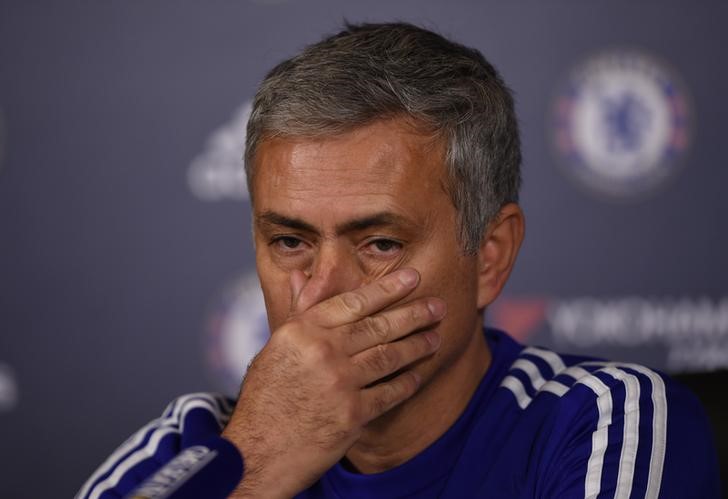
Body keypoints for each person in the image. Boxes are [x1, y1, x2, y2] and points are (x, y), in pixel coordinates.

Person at [77, 22, 721, 499]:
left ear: (489, 257)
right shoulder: (190, 446)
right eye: (290, 242)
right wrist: (257, 461)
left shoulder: (602, 422)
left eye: (380, 244)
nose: (322, 292)